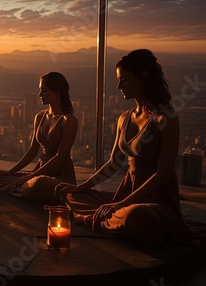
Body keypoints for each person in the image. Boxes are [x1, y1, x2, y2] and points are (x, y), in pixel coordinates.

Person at [54, 49, 197, 246]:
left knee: (139, 216)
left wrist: (123, 203)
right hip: (126, 191)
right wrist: (80, 187)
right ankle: (109, 217)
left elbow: (163, 174)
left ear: (143, 77)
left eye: (125, 80)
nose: (119, 86)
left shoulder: (166, 119)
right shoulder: (124, 118)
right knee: (72, 195)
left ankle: (99, 217)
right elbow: (113, 163)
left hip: (155, 199)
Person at [0, 72, 77, 203]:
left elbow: (61, 156)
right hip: (39, 169)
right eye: (40, 90)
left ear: (58, 93)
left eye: (45, 91)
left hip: (59, 174)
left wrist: (33, 175)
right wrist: (10, 172)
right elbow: (33, 151)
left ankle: (19, 188)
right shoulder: (40, 117)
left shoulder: (69, 120)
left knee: (40, 182)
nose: (40, 95)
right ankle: (21, 187)